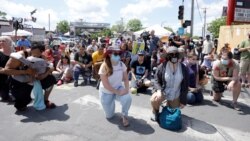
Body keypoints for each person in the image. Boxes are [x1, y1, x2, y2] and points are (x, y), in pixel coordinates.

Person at [1, 43, 56, 111]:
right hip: (19, 79)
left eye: (38, 55)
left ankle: (46, 100)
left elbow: (46, 69)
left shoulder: (42, 57)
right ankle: (23, 101)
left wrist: (49, 70)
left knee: (51, 79)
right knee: (21, 106)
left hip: (34, 78)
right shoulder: (19, 56)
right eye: (34, 54)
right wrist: (25, 72)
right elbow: (6, 71)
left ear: (42, 52)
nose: (35, 56)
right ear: (31, 50)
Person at [150, 46, 189, 121]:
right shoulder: (162, 66)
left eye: (176, 54)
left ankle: (166, 105)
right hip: (164, 92)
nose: (174, 56)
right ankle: (155, 112)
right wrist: (158, 91)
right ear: (168, 56)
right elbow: (156, 80)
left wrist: (183, 100)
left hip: (175, 94)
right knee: (154, 99)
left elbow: (185, 85)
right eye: (171, 54)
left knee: (171, 114)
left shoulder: (183, 68)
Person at [98, 46, 132, 127]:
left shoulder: (121, 64)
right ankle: (111, 103)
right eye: (115, 54)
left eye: (119, 53)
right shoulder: (104, 66)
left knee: (127, 98)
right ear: (109, 54)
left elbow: (126, 79)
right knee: (109, 116)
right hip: (106, 92)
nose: (118, 55)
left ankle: (124, 115)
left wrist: (126, 89)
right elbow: (106, 84)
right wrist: (117, 92)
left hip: (118, 88)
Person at [0, 36, 13, 101]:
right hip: (2, 74)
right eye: (0, 41)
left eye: (3, 41)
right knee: (4, 96)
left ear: (9, 42)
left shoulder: (14, 53)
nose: (1, 42)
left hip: (12, 73)